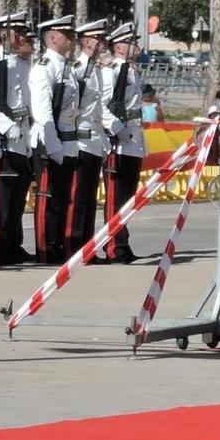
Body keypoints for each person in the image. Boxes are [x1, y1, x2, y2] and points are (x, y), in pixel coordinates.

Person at [29, 15, 80, 265]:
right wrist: (54, 147)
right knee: (48, 198)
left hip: (67, 141)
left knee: (62, 199)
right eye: (66, 35)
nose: (70, 39)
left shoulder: (65, 67)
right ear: (52, 38)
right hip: (51, 142)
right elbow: (42, 112)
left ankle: (57, 244)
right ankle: (45, 248)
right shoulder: (44, 67)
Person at [0, 19, 37, 267]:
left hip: (22, 136)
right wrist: (7, 127)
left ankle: (14, 243)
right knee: (4, 199)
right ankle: (1, 246)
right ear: (3, 35)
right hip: (6, 138)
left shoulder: (22, 65)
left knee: (18, 197)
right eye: (18, 34)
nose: (24, 39)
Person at [66, 20, 111, 256]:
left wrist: (102, 136)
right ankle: (75, 245)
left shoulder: (95, 70)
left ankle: (87, 245)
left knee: (90, 199)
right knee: (79, 198)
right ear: (86, 42)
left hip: (94, 139)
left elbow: (97, 110)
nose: (102, 43)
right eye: (98, 39)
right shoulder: (78, 69)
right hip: (81, 140)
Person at [101, 24, 146, 263]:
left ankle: (123, 242)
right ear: (118, 47)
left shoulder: (131, 71)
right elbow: (102, 106)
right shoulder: (112, 72)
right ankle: (113, 246)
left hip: (133, 139)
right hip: (118, 142)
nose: (135, 46)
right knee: (115, 199)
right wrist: (118, 130)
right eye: (130, 42)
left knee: (128, 198)